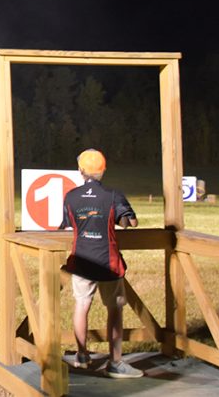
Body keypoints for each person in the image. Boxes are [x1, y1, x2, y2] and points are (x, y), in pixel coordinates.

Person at [60, 148, 144, 379]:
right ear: (103, 171)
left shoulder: (71, 196)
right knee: (115, 310)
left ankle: (82, 356)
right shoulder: (113, 194)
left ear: (81, 170)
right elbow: (131, 222)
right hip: (109, 262)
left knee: (81, 305)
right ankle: (115, 363)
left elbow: (67, 225)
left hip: (82, 260)